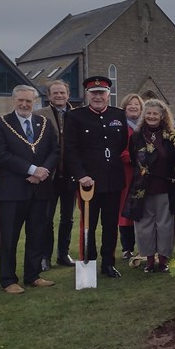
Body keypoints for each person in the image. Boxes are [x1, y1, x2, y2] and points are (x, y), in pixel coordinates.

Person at [0, 84, 60, 294]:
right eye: (20, 100)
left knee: (37, 233)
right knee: (10, 237)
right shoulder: (1, 124)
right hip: (13, 191)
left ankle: (33, 275)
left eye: (28, 101)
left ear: (35, 102)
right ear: (14, 100)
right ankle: (8, 279)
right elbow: (2, 154)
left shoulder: (44, 123)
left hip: (40, 189)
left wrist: (43, 171)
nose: (24, 104)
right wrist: (31, 169)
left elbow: (55, 150)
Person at [63, 75, 129, 278]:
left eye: (101, 93)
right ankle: (89, 262)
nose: (98, 97)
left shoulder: (118, 115)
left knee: (110, 226)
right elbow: (71, 150)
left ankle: (108, 263)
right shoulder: (75, 117)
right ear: (87, 95)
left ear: (108, 95)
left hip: (113, 180)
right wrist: (81, 175)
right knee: (88, 226)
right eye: (94, 93)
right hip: (88, 182)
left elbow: (122, 145)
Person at [123, 99, 175, 273]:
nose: (151, 116)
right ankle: (149, 260)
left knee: (165, 226)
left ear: (162, 116)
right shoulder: (136, 136)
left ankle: (163, 260)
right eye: (148, 113)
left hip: (165, 186)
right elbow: (134, 160)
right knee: (144, 227)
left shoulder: (171, 136)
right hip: (143, 188)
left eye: (155, 113)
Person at [36, 79, 75, 269]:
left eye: (62, 92)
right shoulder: (39, 115)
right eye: (55, 93)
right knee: (46, 218)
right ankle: (45, 257)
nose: (59, 96)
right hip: (48, 176)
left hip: (69, 176)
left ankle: (63, 254)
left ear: (68, 94)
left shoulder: (76, 115)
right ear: (49, 95)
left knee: (67, 218)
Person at [118, 93, 144, 261]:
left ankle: (143, 247)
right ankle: (127, 248)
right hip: (127, 174)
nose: (133, 107)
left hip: (143, 175)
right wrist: (133, 160)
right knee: (125, 212)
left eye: (137, 104)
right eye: (130, 104)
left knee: (143, 211)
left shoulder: (144, 126)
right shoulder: (120, 127)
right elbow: (119, 149)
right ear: (124, 108)